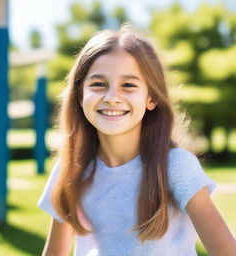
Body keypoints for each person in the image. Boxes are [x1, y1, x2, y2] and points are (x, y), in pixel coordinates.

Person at [38, 24, 236, 256]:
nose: (112, 97)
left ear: (151, 98)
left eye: (129, 85)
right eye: (99, 84)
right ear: (80, 96)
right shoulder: (70, 168)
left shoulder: (176, 166)